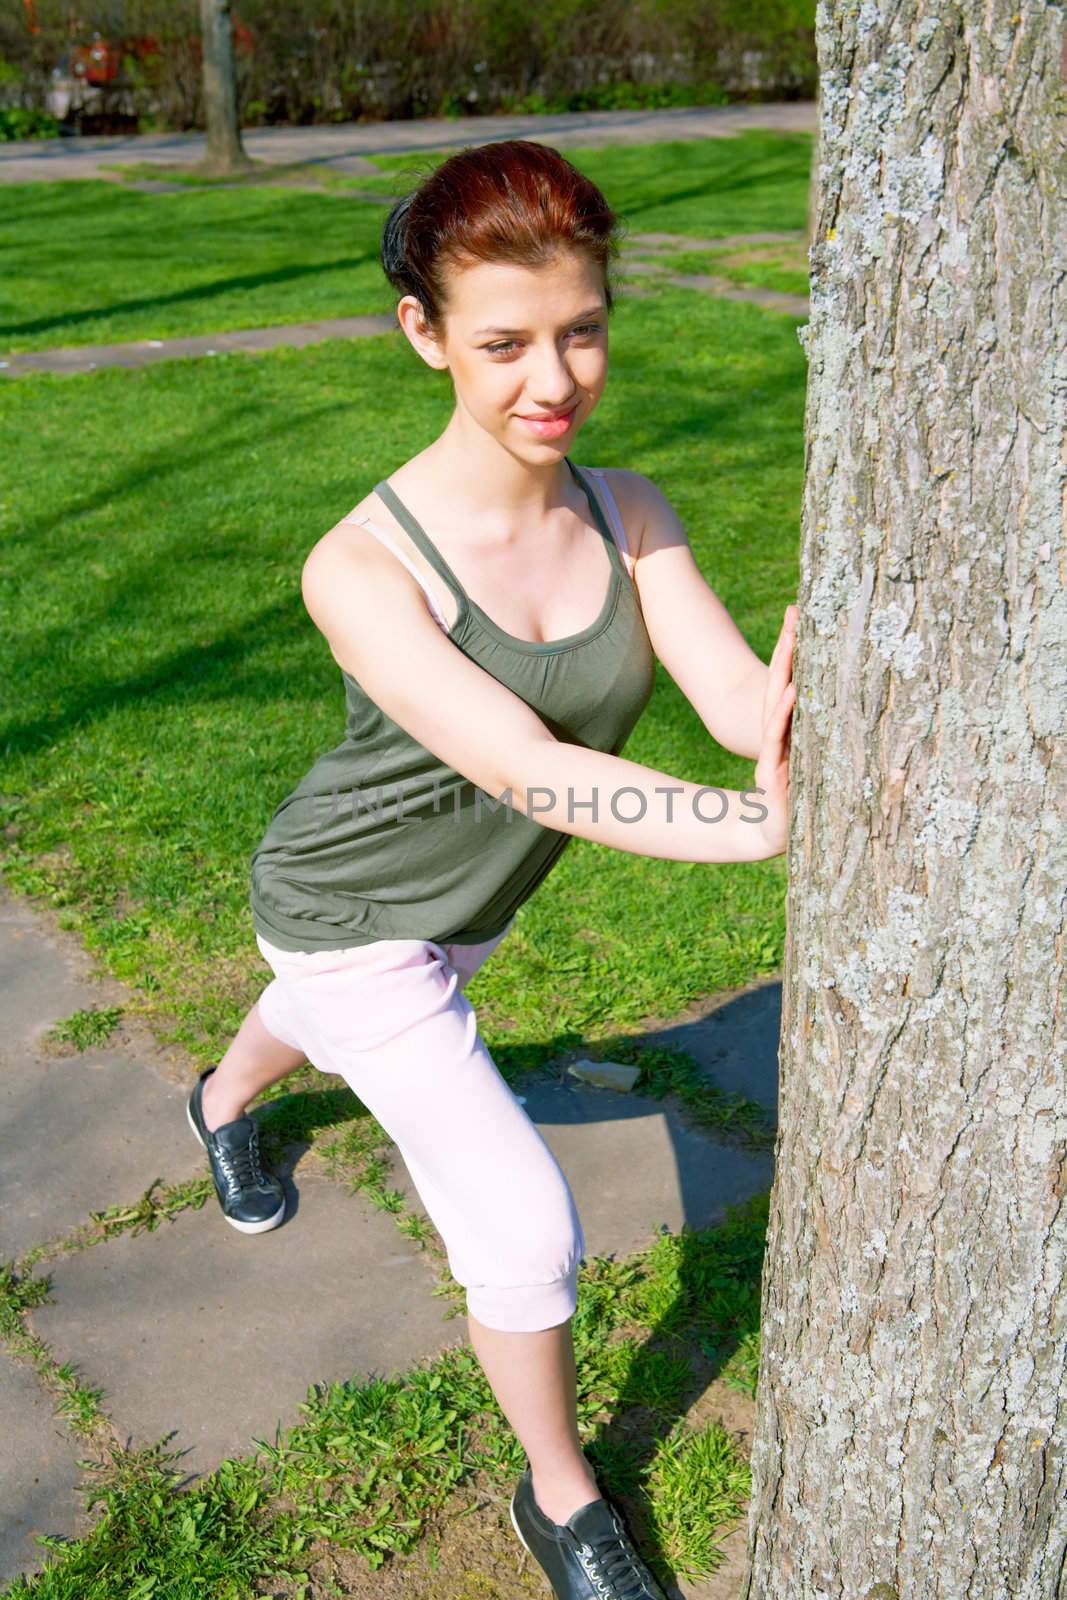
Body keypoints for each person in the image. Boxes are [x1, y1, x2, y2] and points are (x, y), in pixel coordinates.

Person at [185, 138, 797, 1600]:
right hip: (347, 908)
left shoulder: (627, 507)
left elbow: (727, 700)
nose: (555, 380)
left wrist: (809, 696)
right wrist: (754, 828)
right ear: (424, 334)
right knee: (522, 1226)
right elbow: (531, 769)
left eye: (582, 329)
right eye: (505, 343)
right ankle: (562, 1493)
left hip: (454, 918)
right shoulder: (364, 566)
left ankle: (217, 1102)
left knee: (331, 1012)